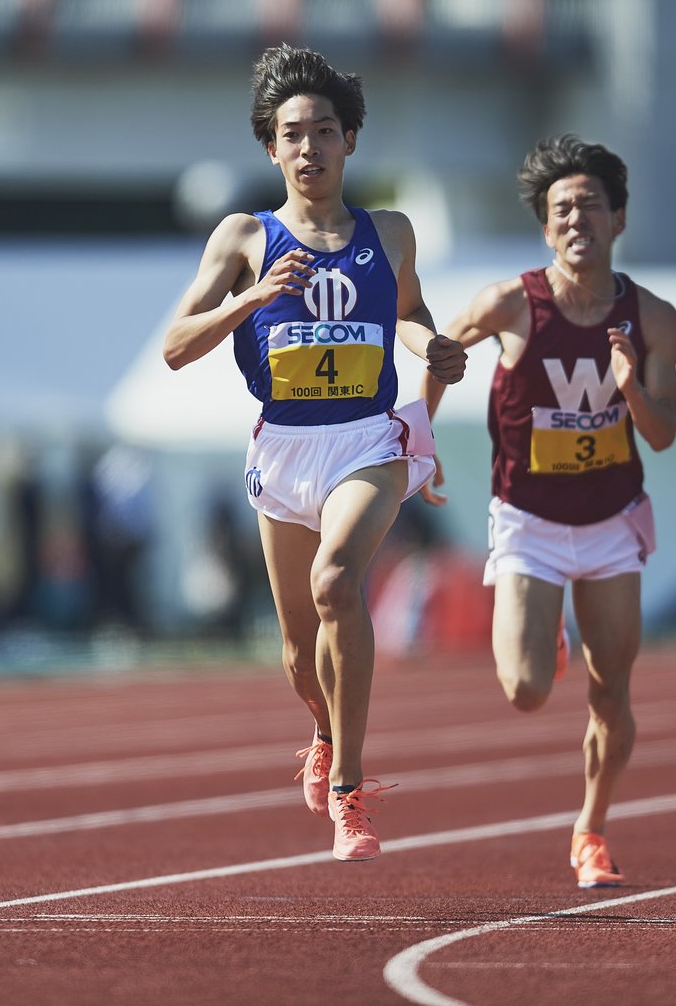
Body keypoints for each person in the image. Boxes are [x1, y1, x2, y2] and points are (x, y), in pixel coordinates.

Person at [162, 44, 466, 862]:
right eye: (293, 134)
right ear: (272, 148)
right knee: (301, 651)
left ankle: (351, 792)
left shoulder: (389, 232)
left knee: (338, 582)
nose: (309, 148)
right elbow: (174, 345)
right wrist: (253, 297)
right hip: (283, 445)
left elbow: (408, 316)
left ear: (350, 141)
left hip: (367, 437)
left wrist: (431, 345)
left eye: (324, 131)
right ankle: (324, 730)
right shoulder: (242, 236)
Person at [421, 134, 676, 887]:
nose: (577, 220)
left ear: (619, 219)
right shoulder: (512, 302)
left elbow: (661, 434)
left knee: (613, 689)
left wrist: (630, 387)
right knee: (527, 689)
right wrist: (420, 435)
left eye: (590, 206)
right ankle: (544, 637)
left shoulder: (653, 318)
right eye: (562, 209)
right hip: (530, 522)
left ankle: (591, 828)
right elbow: (440, 349)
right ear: (545, 227)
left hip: (610, 522)